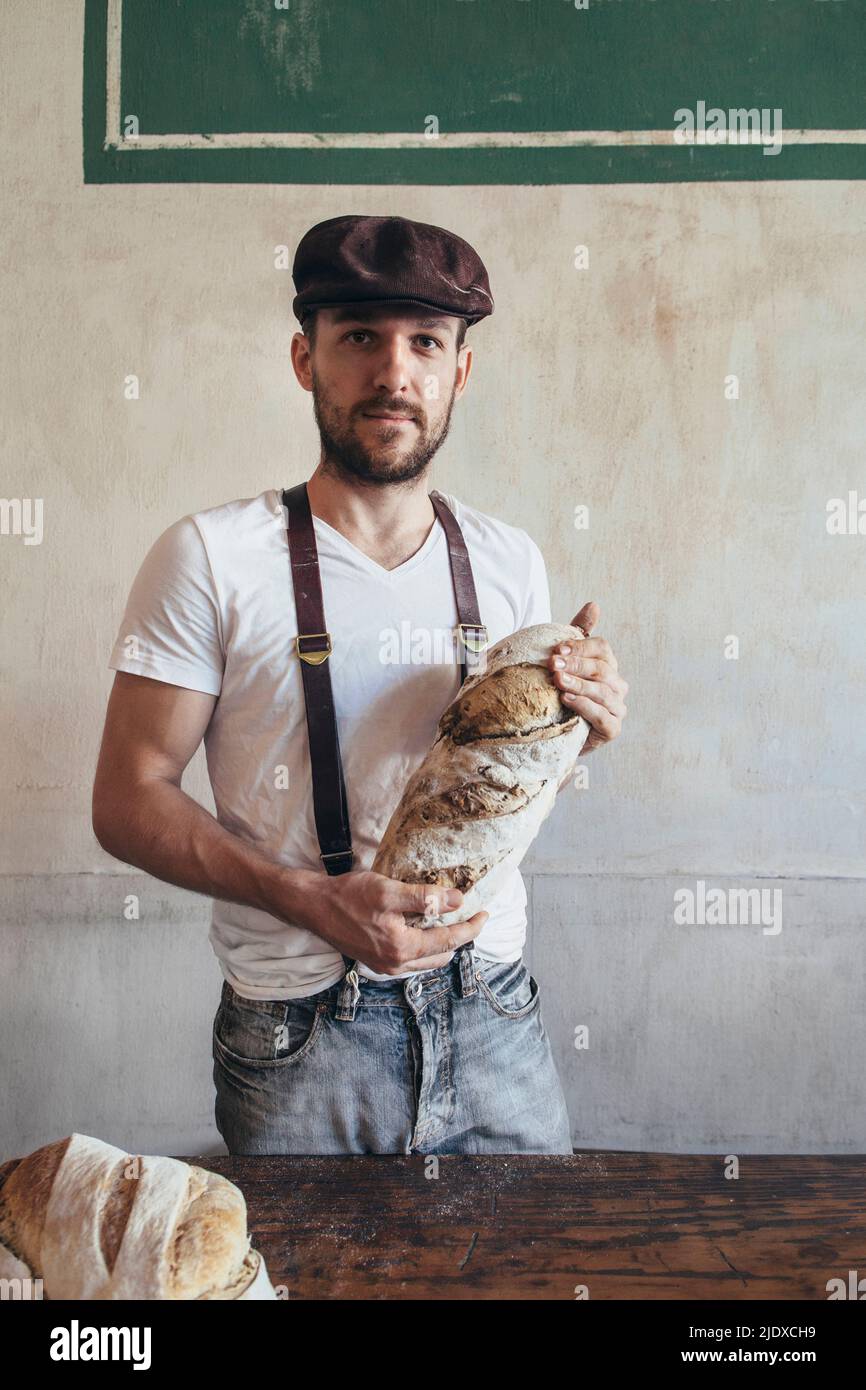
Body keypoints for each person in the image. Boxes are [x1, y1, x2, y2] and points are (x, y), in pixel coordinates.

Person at [92, 214, 628, 1155]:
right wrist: (308, 897)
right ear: (305, 359)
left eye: (425, 342)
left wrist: (580, 728)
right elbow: (126, 799)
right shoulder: (210, 557)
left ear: (460, 371)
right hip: (301, 1036)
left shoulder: (509, 562)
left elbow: (497, 795)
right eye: (359, 339)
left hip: (495, 1014)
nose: (393, 374)